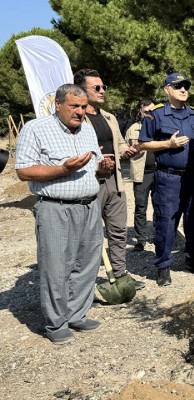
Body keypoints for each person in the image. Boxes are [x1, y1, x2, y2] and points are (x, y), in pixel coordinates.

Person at [15, 84, 114, 344]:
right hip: (55, 207)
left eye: (83, 107)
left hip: (89, 205)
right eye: (74, 106)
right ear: (58, 104)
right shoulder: (35, 129)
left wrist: (103, 169)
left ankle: (76, 314)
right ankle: (56, 322)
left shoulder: (87, 129)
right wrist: (62, 170)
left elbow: (94, 170)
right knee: (56, 266)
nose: (80, 112)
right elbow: (23, 171)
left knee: (87, 263)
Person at [73, 69, 145, 290]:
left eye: (104, 87)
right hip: (89, 183)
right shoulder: (76, 119)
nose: (102, 91)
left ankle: (121, 274)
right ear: (81, 91)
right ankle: (85, 283)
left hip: (114, 181)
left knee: (118, 230)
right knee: (89, 236)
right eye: (97, 87)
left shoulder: (109, 117)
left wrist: (128, 151)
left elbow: (120, 146)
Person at [137, 73, 194, 286]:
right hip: (168, 177)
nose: (183, 90)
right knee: (166, 221)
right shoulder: (155, 115)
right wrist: (168, 144)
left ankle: (193, 259)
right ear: (167, 89)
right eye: (178, 86)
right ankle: (163, 266)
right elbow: (143, 144)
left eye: (186, 86)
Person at [126, 98, 156, 252]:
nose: (148, 115)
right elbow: (124, 150)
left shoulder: (160, 127)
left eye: (151, 111)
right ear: (140, 111)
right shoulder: (133, 129)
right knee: (140, 207)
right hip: (141, 174)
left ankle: (159, 236)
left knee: (160, 206)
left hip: (159, 172)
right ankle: (140, 240)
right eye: (145, 112)